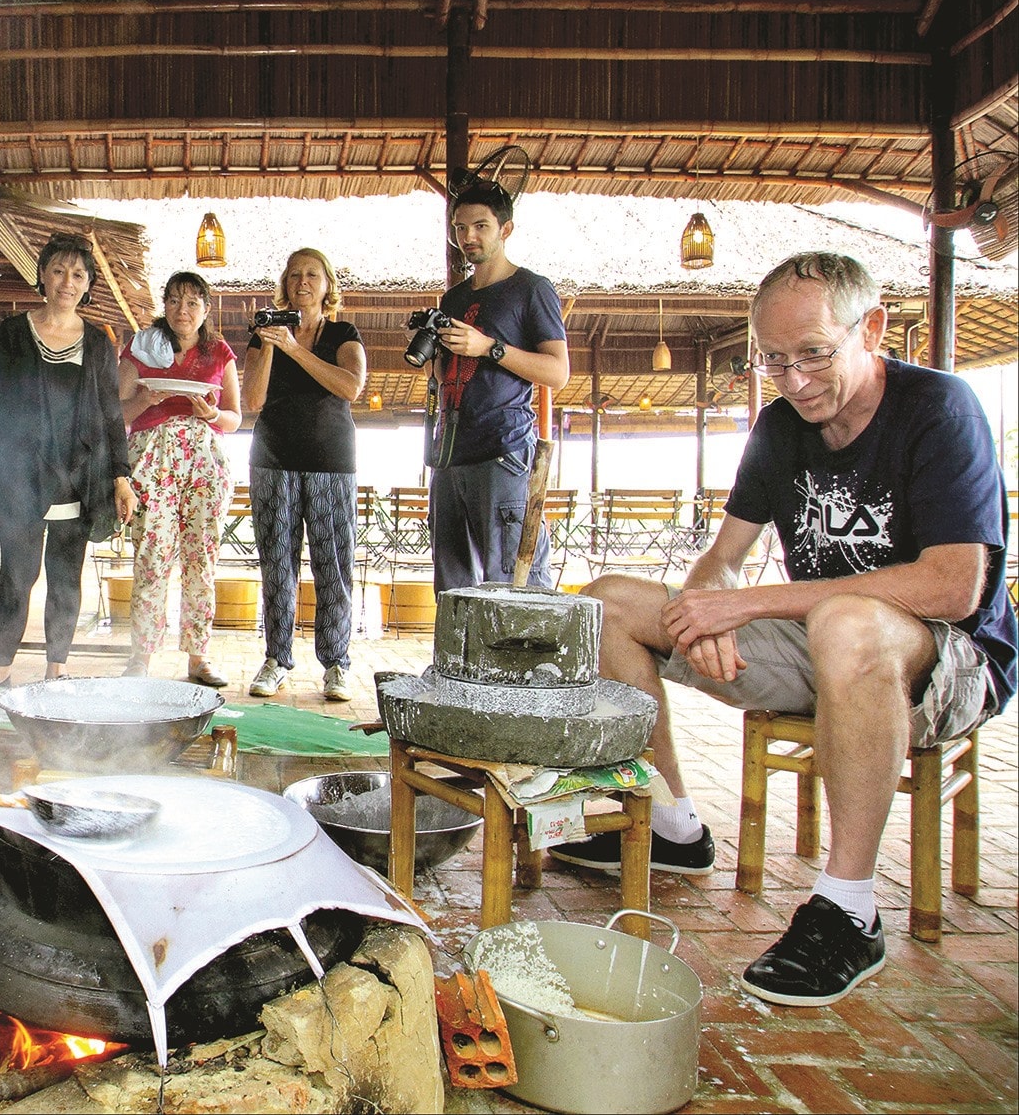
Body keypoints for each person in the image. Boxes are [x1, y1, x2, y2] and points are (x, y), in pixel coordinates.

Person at [549, 253, 1015, 1008]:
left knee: (846, 623)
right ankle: (672, 824)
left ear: (872, 329)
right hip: (820, 637)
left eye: (813, 355)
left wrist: (756, 603)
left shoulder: (939, 407)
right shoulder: (779, 426)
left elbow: (955, 585)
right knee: (607, 601)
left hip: (947, 659)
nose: (794, 380)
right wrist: (705, 604)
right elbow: (723, 558)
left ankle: (848, 908)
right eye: (774, 360)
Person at [0, 234, 136, 686]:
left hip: (79, 476)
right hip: (22, 473)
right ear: (42, 275)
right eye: (58, 270)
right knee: (16, 575)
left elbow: (111, 412)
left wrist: (121, 476)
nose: (67, 281)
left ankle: (56, 669)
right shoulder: (14, 332)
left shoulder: (98, 342)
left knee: (65, 577)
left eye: (78, 274)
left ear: (88, 283)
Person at [425, 181, 570, 591]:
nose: (467, 237)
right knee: (451, 582)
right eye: (459, 228)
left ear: (505, 230)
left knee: (513, 581)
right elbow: (443, 375)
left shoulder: (531, 289)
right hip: (450, 451)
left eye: (480, 226)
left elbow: (557, 372)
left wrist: (489, 347)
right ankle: (456, 659)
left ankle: (522, 658)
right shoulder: (452, 299)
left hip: (504, 450)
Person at [243, 248, 367, 702]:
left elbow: (351, 386)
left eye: (312, 274)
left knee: (333, 565)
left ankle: (336, 663)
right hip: (272, 459)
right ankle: (276, 658)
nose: (303, 281)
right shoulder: (265, 335)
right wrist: (274, 343)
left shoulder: (342, 333)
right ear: (285, 283)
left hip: (330, 461)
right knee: (277, 563)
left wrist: (296, 349)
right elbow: (253, 400)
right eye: (294, 274)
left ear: (327, 284)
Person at [118, 271, 242, 687]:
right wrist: (144, 398)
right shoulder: (141, 347)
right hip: (152, 456)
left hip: (204, 459)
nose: (182, 310)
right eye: (173, 301)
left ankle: (198, 657)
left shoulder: (219, 352)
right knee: (151, 555)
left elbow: (235, 418)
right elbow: (117, 415)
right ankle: (141, 656)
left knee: (201, 557)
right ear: (164, 305)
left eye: (192, 302)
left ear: (206, 308)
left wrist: (210, 414)